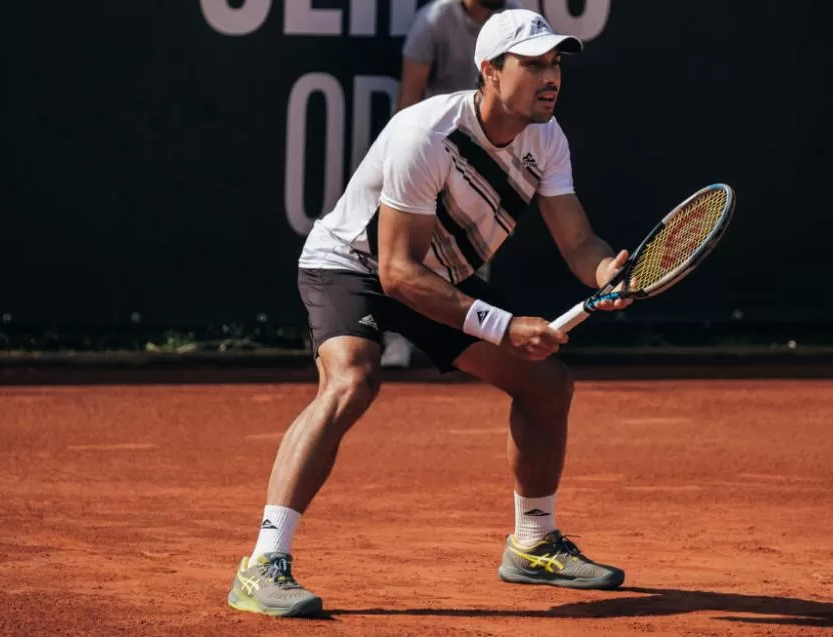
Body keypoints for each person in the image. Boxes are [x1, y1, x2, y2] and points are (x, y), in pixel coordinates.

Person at [228, 9, 632, 618]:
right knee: (353, 380)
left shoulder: (547, 139)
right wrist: (503, 325)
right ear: (490, 71)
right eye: (534, 64)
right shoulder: (427, 132)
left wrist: (609, 275)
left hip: (434, 277)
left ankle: (533, 544)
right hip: (353, 265)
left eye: (556, 64)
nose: (551, 77)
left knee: (546, 384)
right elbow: (394, 273)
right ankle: (263, 564)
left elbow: (579, 244)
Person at [381, 0, 520, 368]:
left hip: (489, 153)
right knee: (409, 255)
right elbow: (409, 98)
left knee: (476, 253)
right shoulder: (433, 20)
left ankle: (470, 346)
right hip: (434, 148)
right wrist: (404, 156)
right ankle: (396, 339)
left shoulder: (513, 19)